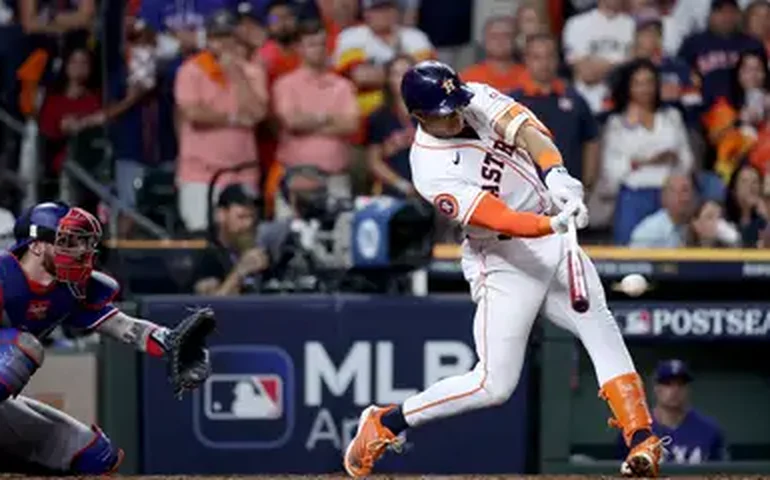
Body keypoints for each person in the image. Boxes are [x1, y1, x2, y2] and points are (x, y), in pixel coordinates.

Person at [343, 60, 665, 479]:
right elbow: (499, 218)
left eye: (456, 103)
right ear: (419, 116)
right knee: (493, 385)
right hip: (503, 257)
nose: (457, 114)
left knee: (598, 324)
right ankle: (385, 422)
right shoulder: (430, 169)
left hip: (551, 231)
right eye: (445, 112)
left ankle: (641, 439)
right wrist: (551, 223)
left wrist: (558, 176)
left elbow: (529, 133)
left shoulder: (470, 95)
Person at [0, 202, 213, 474]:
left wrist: (168, 340)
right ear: (37, 245)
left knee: (95, 456)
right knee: (22, 348)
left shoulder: (70, 289)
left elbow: (120, 325)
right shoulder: (4, 276)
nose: (80, 250)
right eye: (68, 241)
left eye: (82, 242)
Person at [600, 59, 694, 245]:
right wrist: (646, 161)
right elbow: (612, 171)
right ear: (628, 87)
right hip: (634, 197)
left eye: (649, 82)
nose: (645, 89)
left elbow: (687, 161)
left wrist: (672, 159)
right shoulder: (617, 124)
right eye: (638, 83)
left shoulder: (671, 118)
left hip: (670, 197)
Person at [618, 360, 728, 464]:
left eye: (680, 384)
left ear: (688, 389)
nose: (674, 390)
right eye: (667, 384)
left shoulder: (709, 430)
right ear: (656, 388)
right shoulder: (635, 430)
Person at [193, 184, 269, 295]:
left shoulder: (262, 249)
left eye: (253, 217)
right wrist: (239, 272)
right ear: (221, 215)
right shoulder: (205, 253)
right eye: (242, 217)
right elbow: (209, 307)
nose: (249, 224)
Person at [366, 54, 418, 197]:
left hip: (430, 192)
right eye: (396, 74)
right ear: (388, 79)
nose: (402, 79)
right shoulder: (379, 117)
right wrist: (402, 185)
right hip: (393, 191)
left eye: (407, 73)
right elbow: (373, 161)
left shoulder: (432, 114)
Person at [629, 173, 695, 248]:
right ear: (663, 198)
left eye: (685, 190)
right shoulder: (648, 232)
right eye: (673, 192)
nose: (681, 197)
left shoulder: (698, 225)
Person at [724, 163, 769, 246]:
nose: (751, 186)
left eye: (755, 182)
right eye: (745, 181)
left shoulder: (764, 221)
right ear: (733, 191)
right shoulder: (724, 222)